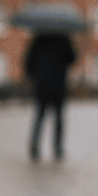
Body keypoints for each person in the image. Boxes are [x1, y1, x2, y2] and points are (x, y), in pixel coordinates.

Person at [24, 32, 77, 160]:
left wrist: (34, 76)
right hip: (58, 85)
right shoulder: (63, 38)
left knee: (40, 117)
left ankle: (35, 146)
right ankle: (57, 148)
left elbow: (28, 62)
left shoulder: (39, 39)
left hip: (42, 85)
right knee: (58, 119)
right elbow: (73, 58)